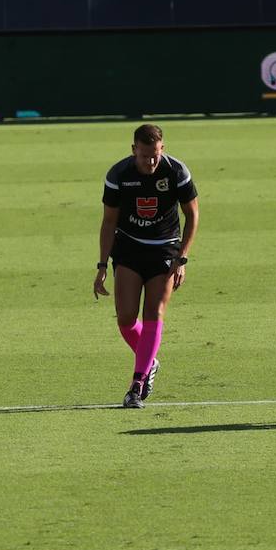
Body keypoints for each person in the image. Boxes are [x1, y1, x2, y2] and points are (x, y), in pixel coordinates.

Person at [94, 123, 200, 409]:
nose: (150, 161)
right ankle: (150, 362)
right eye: (144, 156)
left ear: (161, 149)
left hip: (165, 250)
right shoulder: (118, 175)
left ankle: (137, 383)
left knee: (154, 311)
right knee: (126, 318)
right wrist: (102, 264)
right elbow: (108, 222)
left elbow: (192, 215)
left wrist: (182, 257)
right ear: (133, 151)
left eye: (154, 155)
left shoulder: (176, 172)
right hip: (128, 248)